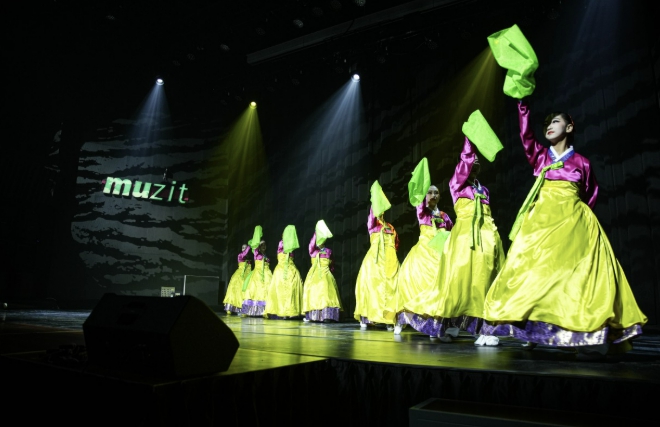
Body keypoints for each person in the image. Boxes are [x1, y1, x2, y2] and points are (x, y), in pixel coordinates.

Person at [482, 99, 647, 358]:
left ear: (569, 127)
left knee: (575, 278)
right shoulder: (540, 156)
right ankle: (532, 330)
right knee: (532, 275)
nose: (549, 126)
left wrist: (577, 217)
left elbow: (591, 193)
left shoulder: (582, 162)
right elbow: (526, 136)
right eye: (547, 123)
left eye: (555, 121)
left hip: (573, 221)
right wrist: (522, 105)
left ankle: (585, 332)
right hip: (541, 223)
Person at [402, 137, 504, 344]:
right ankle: (456, 325)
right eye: (470, 159)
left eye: (477, 159)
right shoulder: (456, 184)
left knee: (485, 278)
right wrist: (470, 139)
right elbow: (464, 162)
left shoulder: (483, 190)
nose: (474, 161)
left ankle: (479, 326)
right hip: (465, 236)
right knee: (459, 281)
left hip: (486, 234)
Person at [385, 159, 454, 333]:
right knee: (412, 281)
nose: (433, 195)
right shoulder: (423, 212)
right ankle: (402, 319)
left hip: (441, 253)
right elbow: (418, 198)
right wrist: (421, 179)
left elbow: (452, 232)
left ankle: (435, 324)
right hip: (424, 251)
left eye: (436, 192)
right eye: (430, 192)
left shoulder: (445, 216)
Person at [354, 181, 400, 329]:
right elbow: (372, 213)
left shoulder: (390, 227)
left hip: (390, 260)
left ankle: (388, 319)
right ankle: (368, 318)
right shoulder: (373, 225)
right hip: (374, 260)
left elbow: (396, 244)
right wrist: (376, 197)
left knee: (391, 288)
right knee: (372, 287)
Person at [302, 221, 343, 322]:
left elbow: (332, 263)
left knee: (326, 292)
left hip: (326, 274)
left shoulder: (328, 251)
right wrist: (317, 232)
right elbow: (311, 244)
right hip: (314, 275)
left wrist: (330, 271)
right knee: (313, 291)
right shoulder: (313, 251)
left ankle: (327, 316)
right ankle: (312, 316)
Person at [264, 225, 304, 319]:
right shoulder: (281, 243)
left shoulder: (291, 245)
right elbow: (284, 249)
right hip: (281, 269)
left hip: (291, 268)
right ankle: (282, 311)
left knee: (292, 288)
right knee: (280, 289)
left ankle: (291, 311)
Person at [242, 227, 272, 317]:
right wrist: (258, 233)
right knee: (254, 291)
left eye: (265, 245)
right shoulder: (256, 253)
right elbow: (255, 245)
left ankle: (266, 311)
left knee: (267, 290)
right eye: (262, 245)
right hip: (258, 274)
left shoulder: (265, 255)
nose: (263, 246)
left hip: (267, 274)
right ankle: (248, 311)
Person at [223, 243, 252, 315]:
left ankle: (244, 309)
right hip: (240, 275)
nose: (244, 249)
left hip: (247, 276)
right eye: (243, 248)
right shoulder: (240, 255)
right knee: (237, 290)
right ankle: (235, 308)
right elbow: (245, 253)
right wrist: (249, 246)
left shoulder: (249, 258)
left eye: (245, 247)